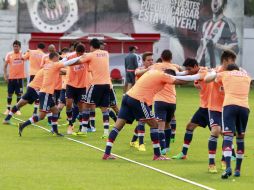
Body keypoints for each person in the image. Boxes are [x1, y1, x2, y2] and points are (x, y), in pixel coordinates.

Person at [102, 69, 186, 160]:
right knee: (154, 125)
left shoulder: (153, 72)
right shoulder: (163, 76)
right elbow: (180, 82)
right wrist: (197, 78)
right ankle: (157, 155)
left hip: (128, 96)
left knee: (118, 126)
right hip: (138, 100)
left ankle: (107, 153)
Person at [205, 64, 251, 179]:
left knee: (228, 136)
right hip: (245, 107)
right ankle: (238, 170)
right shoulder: (246, 76)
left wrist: (214, 72)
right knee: (240, 137)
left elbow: (207, 79)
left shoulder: (224, 74)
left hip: (230, 106)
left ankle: (228, 167)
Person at [18, 52, 81, 137]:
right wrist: (79, 57)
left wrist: (68, 56)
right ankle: (23, 125)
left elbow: (64, 60)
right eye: (58, 58)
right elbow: (67, 62)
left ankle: (55, 131)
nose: (59, 59)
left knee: (55, 111)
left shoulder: (49, 64)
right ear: (54, 57)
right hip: (46, 93)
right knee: (41, 116)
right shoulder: (54, 65)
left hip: (47, 93)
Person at [172, 58, 212, 161]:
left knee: (219, 132)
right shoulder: (196, 71)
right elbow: (185, 74)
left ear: (195, 66)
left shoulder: (203, 72)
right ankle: (183, 154)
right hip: (203, 107)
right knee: (190, 126)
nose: (188, 71)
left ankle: (233, 154)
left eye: (189, 69)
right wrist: (169, 73)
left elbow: (190, 77)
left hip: (211, 108)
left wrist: (171, 76)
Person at [80, 38, 111, 138]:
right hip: (107, 85)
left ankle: (84, 130)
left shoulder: (90, 55)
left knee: (86, 105)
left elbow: (79, 61)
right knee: (104, 109)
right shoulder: (106, 53)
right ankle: (106, 132)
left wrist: (64, 63)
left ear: (91, 46)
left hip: (96, 84)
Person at [196, 0, 239, 68]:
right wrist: (196, 62)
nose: (215, 1)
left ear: (224, 5)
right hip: (203, 68)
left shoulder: (228, 24)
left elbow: (235, 48)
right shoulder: (205, 24)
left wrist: (215, 45)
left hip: (217, 68)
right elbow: (201, 46)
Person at [130, 52, 154, 151]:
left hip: (149, 100)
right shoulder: (140, 69)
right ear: (144, 61)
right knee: (142, 120)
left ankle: (133, 141)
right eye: (148, 60)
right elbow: (137, 73)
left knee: (143, 121)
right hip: (139, 100)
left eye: (152, 60)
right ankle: (141, 144)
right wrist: (148, 70)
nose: (151, 62)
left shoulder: (153, 71)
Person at [64, 43, 88, 135]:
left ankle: (82, 126)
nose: (80, 56)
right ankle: (70, 124)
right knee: (68, 104)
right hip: (71, 84)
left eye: (81, 54)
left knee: (81, 106)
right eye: (78, 54)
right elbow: (62, 60)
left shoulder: (86, 57)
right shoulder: (70, 56)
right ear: (76, 51)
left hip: (82, 86)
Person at [3, 40, 25, 116]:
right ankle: (8, 109)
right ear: (13, 47)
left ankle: (17, 109)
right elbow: (5, 65)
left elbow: (30, 57)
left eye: (17, 46)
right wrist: (5, 75)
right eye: (14, 46)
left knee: (19, 94)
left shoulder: (23, 54)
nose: (15, 48)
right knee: (10, 94)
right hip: (11, 78)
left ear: (20, 47)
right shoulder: (9, 54)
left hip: (20, 78)